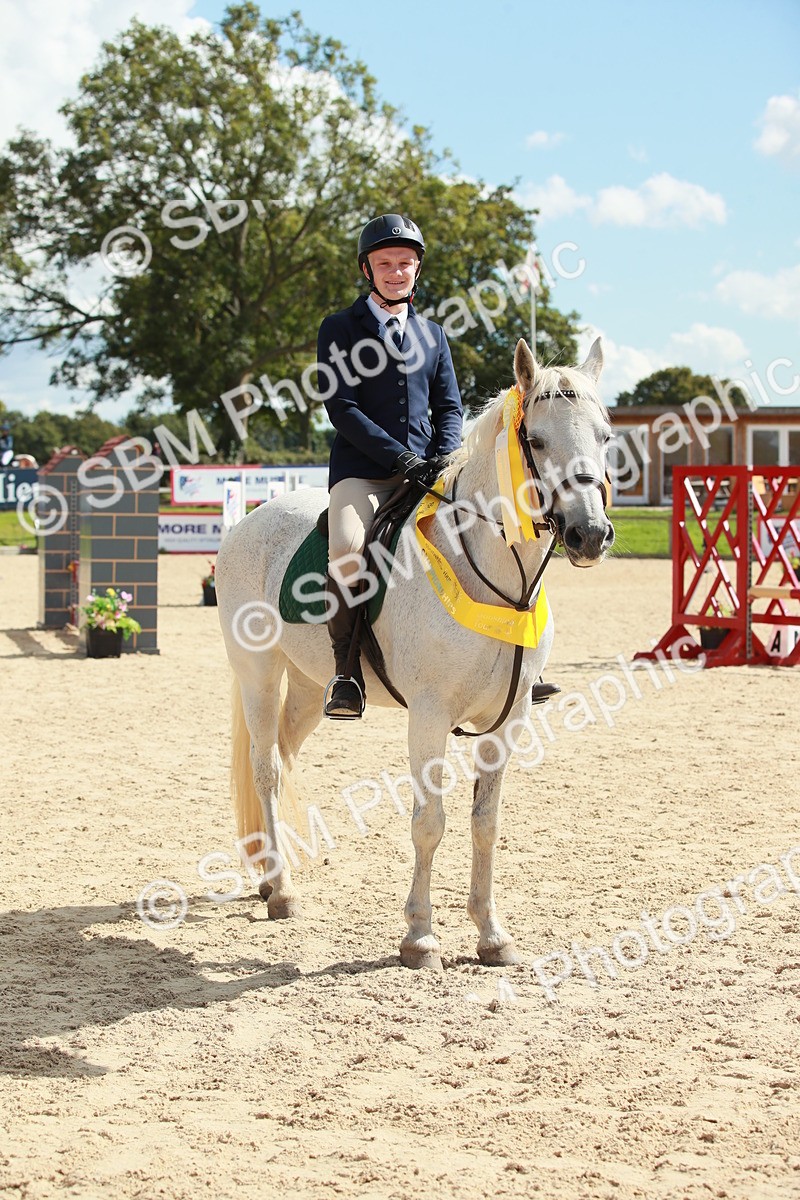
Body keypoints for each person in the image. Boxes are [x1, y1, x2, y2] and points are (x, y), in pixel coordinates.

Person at [317, 214, 463, 719]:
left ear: (417, 270)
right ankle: (346, 674)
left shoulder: (434, 335)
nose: (396, 272)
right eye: (385, 264)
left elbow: (449, 408)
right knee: (347, 549)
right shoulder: (339, 328)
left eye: (405, 263)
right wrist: (400, 458)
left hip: (429, 468)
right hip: (364, 473)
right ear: (367, 269)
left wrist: (442, 457)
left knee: (494, 530)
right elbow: (343, 408)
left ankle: (505, 662)